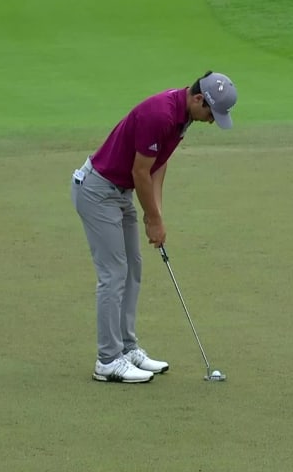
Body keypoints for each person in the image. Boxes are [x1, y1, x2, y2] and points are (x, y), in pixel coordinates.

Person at [70, 71, 238, 383]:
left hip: (119, 194)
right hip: (97, 191)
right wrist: (153, 220)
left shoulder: (182, 118)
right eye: (211, 114)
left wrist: (156, 216)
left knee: (132, 268)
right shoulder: (160, 114)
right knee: (113, 273)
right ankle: (107, 360)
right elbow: (140, 172)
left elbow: (158, 166)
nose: (212, 121)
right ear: (198, 99)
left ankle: (127, 347)